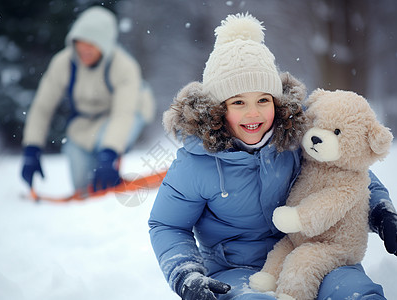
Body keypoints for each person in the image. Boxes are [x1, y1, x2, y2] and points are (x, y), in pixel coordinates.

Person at [149, 13, 397, 300]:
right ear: (218, 109)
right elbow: (167, 224)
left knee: (353, 292)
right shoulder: (197, 162)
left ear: (277, 102)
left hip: (311, 252)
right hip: (235, 270)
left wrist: (381, 211)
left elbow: (349, 170)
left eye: (263, 100)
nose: (253, 113)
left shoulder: (296, 137)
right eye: (239, 102)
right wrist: (185, 273)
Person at [21, 6, 155, 194]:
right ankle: (102, 173)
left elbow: (123, 114)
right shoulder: (63, 63)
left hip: (130, 111)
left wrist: (109, 154)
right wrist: (31, 149)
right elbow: (42, 107)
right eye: (80, 42)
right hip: (87, 120)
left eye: (92, 43)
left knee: (104, 148)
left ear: (105, 44)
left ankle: (111, 165)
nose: (85, 48)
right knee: (83, 186)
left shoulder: (124, 67)